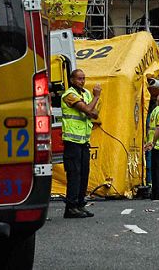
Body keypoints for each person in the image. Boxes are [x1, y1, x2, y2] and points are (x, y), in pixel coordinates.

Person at [60, 69, 101, 218]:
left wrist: (90, 107)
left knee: (84, 173)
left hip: (84, 140)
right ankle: (71, 207)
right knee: (74, 174)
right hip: (72, 141)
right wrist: (96, 98)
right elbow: (88, 110)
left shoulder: (86, 94)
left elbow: (94, 113)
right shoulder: (69, 95)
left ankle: (80, 204)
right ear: (72, 80)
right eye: (79, 79)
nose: (82, 81)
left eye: (83, 78)